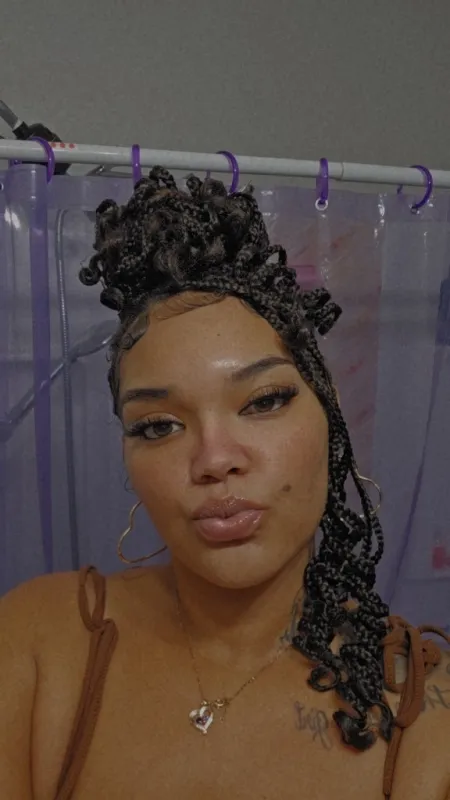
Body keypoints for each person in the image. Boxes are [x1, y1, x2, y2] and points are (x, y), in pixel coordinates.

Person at [1, 168, 449, 800]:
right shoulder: (38, 642)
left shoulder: (427, 718)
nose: (213, 460)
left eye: (264, 401)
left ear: (329, 413)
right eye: (159, 425)